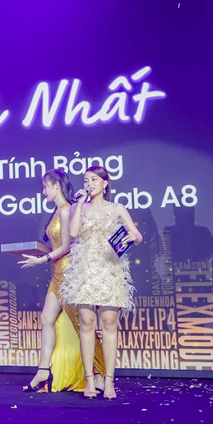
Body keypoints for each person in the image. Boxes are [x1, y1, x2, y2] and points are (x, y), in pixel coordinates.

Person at [17, 169, 106, 393]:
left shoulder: (67, 210)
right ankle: (43, 371)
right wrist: (40, 253)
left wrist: (41, 259)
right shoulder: (57, 212)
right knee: (47, 318)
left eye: (45, 186)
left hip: (69, 274)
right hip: (57, 272)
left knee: (81, 324)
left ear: (56, 186)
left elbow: (66, 247)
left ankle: (100, 373)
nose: (43, 191)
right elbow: (58, 246)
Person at [60, 165, 142, 400]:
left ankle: (108, 381)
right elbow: (73, 233)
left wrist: (133, 236)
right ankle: (89, 379)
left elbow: (137, 236)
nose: (89, 183)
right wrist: (79, 204)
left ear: (105, 183)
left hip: (110, 269)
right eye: (86, 180)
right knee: (87, 324)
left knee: (109, 324)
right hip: (85, 270)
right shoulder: (78, 207)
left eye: (94, 179)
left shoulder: (116, 208)